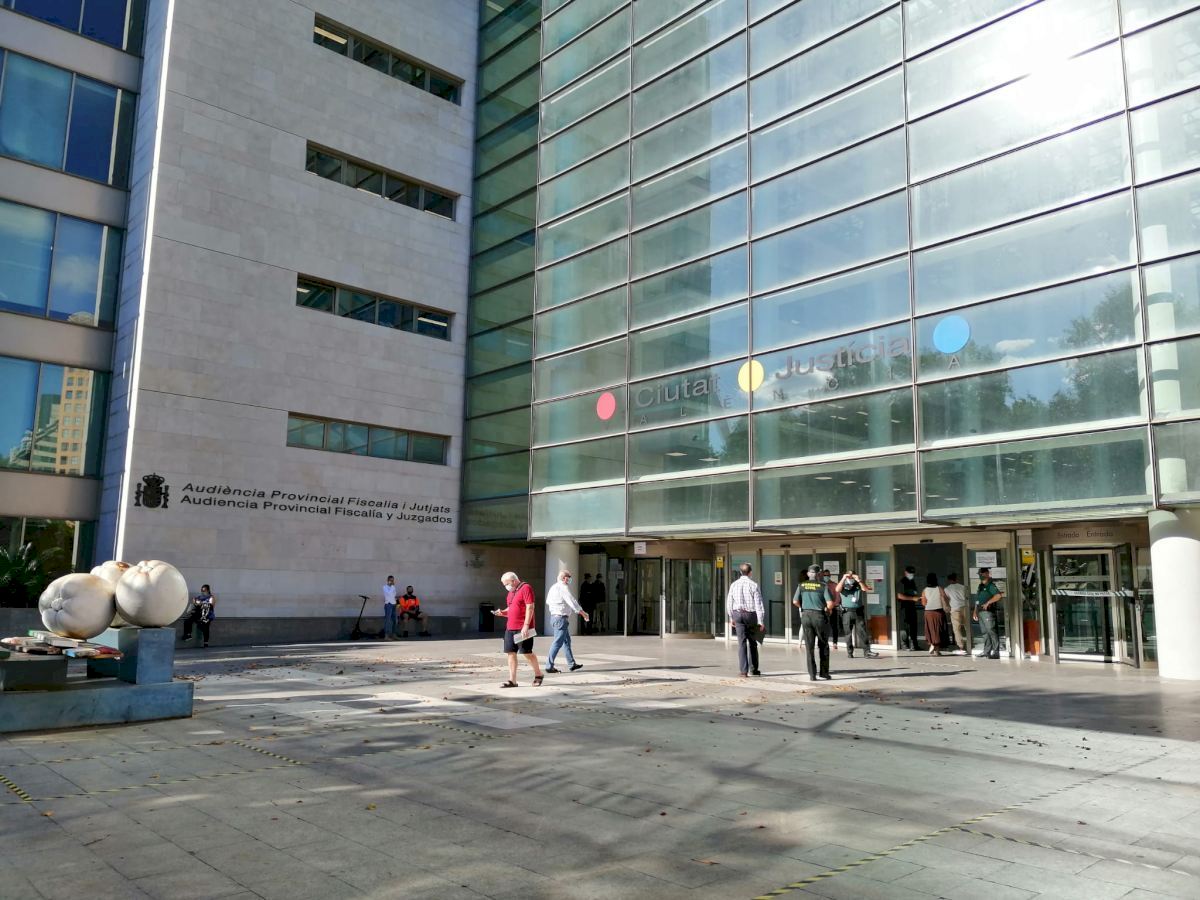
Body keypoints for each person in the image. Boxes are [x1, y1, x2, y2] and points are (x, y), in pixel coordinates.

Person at [493, 571, 544, 687]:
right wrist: (503, 612)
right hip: (510, 627)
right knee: (511, 653)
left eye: (507, 584)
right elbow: (512, 608)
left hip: (523, 627)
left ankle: (538, 674)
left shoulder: (526, 588)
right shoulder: (511, 592)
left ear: (514, 581)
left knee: (526, 652)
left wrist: (526, 625)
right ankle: (512, 680)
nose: (506, 586)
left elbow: (530, 607)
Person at [725, 562, 765, 677]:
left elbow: (729, 602)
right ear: (750, 572)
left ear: (740, 572)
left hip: (738, 614)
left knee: (741, 643)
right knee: (753, 642)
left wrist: (731, 617)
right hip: (751, 615)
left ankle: (743, 671)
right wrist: (760, 621)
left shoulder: (733, 585)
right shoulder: (754, 585)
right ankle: (754, 669)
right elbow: (758, 604)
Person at [793, 565, 833, 681]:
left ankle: (812, 674)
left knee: (809, 646)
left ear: (808, 574)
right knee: (823, 645)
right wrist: (827, 609)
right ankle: (824, 673)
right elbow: (830, 604)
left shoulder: (801, 585)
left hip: (806, 616)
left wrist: (803, 607)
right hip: (819, 616)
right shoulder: (823, 586)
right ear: (819, 574)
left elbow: (795, 601)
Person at [545, 569, 588, 673]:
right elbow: (572, 601)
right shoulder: (563, 587)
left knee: (566, 641)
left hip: (555, 617)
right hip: (561, 618)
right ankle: (549, 666)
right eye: (569, 577)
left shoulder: (553, 587)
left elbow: (548, 602)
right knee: (557, 642)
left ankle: (571, 664)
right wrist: (583, 613)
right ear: (565, 578)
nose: (570, 579)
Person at [837, 571, 878, 659]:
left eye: (852, 575)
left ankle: (867, 652)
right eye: (849, 576)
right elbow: (837, 590)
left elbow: (865, 589)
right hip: (847, 612)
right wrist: (843, 578)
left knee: (862, 632)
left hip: (858, 612)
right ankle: (850, 652)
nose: (850, 577)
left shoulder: (858, 584)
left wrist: (858, 580)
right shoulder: (843, 584)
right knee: (848, 633)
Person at [973, 567, 1004, 659]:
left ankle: (996, 652)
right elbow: (977, 600)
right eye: (979, 574)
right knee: (985, 632)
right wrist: (975, 611)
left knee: (991, 631)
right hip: (980, 611)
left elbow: (998, 596)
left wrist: (988, 603)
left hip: (988, 612)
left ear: (987, 573)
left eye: (982, 573)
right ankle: (987, 651)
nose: (980, 575)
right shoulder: (980, 586)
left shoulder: (990, 585)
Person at [921, 573, 948, 656]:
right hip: (938, 612)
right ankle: (937, 650)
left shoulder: (925, 590)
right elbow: (945, 598)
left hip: (928, 612)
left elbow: (924, 603)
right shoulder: (939, 589)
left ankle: (932, 644)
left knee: (931, 630)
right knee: (938, 630)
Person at [944, 573, 970, 655]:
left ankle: (961, 647)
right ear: (956, 579)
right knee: (967, 626)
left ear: (949, 580)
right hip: (964, 607)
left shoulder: (947, 589)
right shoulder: (963, 587)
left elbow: (947, 599)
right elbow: (967, 597)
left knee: (956, 629)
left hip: (955, 609)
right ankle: (971, 644)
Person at [897, 565, 921, 651]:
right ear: (905, 572)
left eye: (913, 573)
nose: (912, 574)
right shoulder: (902, 582)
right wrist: (912, 598)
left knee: (913, 626)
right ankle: (904, 645)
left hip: (912, 607)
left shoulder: (912, 582)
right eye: (910, 573)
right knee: (904, 627)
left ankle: (914, 645)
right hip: (904, 608)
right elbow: (899, 595)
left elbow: (914, 593)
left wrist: (916, 598)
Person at [823, 569, 842, 650]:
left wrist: (831, 606)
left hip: (833, 608)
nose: (826, 577)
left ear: (830, 576)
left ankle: (835, 642)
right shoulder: (821, 585)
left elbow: (837, 598)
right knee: (823, 626)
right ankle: (823, 642)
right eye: (824, 575)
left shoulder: (834, 585)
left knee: (834, 626)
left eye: (827, 575)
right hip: (823, 608)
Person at [382, 575, 398, 640]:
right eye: (391, 580)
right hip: (388, 604)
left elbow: (394, 595)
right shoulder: (384, 587)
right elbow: (389, 594)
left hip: (394, 604)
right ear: (388, 580)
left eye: (392, 580)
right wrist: (392, 586)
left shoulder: (393, 587)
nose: (392, 581)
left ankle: (394, 634)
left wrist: (392, 587)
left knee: (395, 620)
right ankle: (386, 636)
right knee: (388, 620)